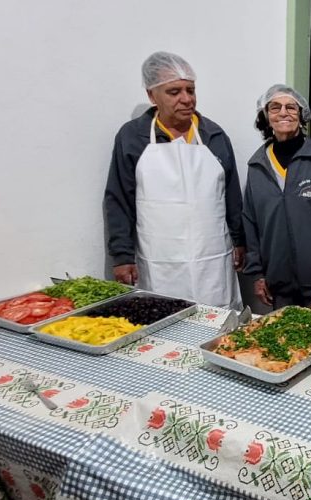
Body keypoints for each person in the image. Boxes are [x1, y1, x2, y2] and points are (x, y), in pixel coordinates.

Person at [104, 52, 245, 309]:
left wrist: (239, 241)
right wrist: (122, 256)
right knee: (163, 317)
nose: (186, 99)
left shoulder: (213, 135)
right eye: (174, 92)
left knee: (218, 322)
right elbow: (119, 199)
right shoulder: (133, 137)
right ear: (151, 95)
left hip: (211, 258)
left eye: (190, 90)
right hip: (160, 260)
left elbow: (232, 195)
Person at [242, 84, 311, 308]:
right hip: (277, 285)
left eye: (291, 107)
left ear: (302, 116)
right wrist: (257, 273)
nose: (283, 112)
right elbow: (250, 223)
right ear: (266, 117)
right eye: (275, 107)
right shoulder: (257, 167)